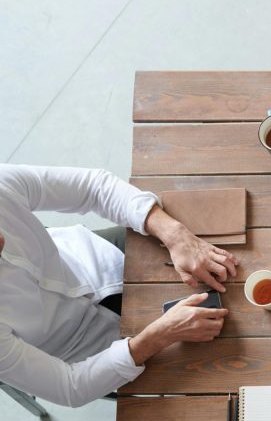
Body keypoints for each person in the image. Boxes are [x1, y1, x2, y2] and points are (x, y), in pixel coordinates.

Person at [0, 164, 236, 407]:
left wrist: (175, 235)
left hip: (97, 256)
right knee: (208, 381)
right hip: (91, 351)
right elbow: (68, 387)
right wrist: (160, 335)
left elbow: (93, 187)